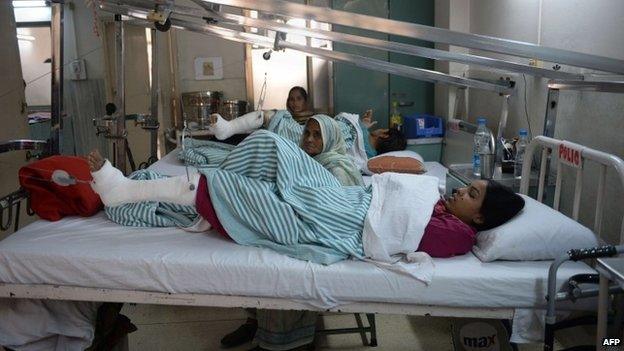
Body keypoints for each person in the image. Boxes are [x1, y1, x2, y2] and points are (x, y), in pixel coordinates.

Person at [87, 131, 524, 351]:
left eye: (471, 194)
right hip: (344, 197)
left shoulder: (459, 236)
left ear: (481, 217)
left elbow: (396, 226)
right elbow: (391, 182)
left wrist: (424, 195)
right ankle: (213, 186)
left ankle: (133, 192)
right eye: (468, 186)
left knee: (227, 187)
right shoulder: (446, 207)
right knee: (271, 142)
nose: (459, 191)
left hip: (342, 222)